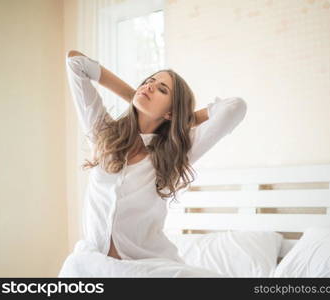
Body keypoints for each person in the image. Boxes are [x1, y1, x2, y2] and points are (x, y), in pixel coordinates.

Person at [59, 50, 247, 276]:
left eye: (162, 89)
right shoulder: (103, 132)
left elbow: (235, 107)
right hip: (94, 265)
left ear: (170, 112)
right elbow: (76, 63)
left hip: (148, 267)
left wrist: (186, 118)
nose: (149, 86)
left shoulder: (175, 153)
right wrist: (135, 96)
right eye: (148, 82)